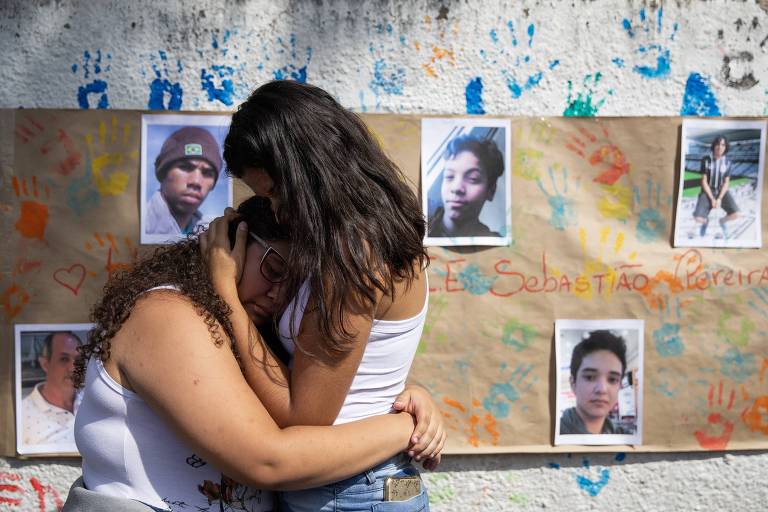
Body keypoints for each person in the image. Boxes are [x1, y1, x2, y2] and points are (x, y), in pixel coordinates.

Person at [71, 195, 443, 512]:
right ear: (229, 247)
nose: (278, 295)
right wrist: (403, 427)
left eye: (299, 289)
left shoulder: (239, 327)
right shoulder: (167, 315)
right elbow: (268, 461)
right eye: (275, 269)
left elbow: (299, 389)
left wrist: (403, 396)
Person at [209, 79, 441, 511]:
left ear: (307, 171)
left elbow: (305, 418)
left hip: (352, 492)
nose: (275, 211)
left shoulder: (356, 257)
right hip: (351, 484)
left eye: (276, 193)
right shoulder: (358, 242)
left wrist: (225, 297)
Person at [146, 126, 222, 236]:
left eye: (207, 173)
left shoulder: (215, 235)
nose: (196, 181)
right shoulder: (136, 224)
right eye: (185, 167)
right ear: (163, 173)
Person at [427, 134, 505, 238]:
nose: (456, 188)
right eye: (449, 176)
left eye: (473, 178)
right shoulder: (421, 221)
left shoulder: (496, 244)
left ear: (491, 190)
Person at [559, 330, 630, 435]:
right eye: (590, 377)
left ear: (619, 386)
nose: (601, 389)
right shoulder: (551, 435)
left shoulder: (626, 438)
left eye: (612, 379)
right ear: (573, 384)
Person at [21, 331, 81, 447]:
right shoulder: (21, 416)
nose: (73, 368)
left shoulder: (94, 400)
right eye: (64, 359)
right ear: (45, 364)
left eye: (78, 360)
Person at [693, 135, 739, 237]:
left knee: (736, 214)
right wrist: (712, 199)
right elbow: (704, 181)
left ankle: (722, 221)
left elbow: (726, 182)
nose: (720, 147)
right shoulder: (705, 160)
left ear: (725, 147)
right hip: (707, 191)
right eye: (718, 144)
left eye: (723, 144)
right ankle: (706, 222)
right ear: (714, 146)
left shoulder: (728, 162)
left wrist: (719, 198)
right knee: (697, 218)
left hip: (721, 191)